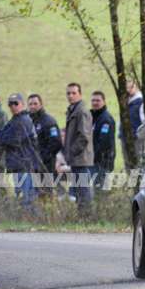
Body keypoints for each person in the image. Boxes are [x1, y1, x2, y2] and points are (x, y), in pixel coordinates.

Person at [0, 93, 41, 210]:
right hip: (17, 165)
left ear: (22, 104)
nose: (13, 106)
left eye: (16, 103)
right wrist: (5, 138)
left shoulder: (24, 120)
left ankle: (33, 219)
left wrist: (5, 138)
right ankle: (27, 218)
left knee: (27, 199)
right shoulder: (14, 120)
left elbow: (15, 140)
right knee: (21, 197)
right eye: (10, 104)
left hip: (25, 165)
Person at [64, 83, 94, 215]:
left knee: (83, 190)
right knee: (78, 189)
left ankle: (87, 216)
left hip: (81, 158)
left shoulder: (82, 111)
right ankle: (82, 215)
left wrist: (71, 152)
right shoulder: (73, 110)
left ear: (80, 94)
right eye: (68, 93)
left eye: (73, 93)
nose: (70, 96)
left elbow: (84, 137)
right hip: (76, 159)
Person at [28, 94, 62, 195]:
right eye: (30, 104)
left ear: (41, 104)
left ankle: (51, 204)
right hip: (33, 163)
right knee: (35, 192)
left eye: (35, 104)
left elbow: (56, 142)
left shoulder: (48, 121)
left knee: (46, 191)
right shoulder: (29, 121)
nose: (33, 106)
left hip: (46, 164)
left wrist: (44, 157)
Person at [90, 91, 115, 189]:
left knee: (102, 191)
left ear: (104, 102)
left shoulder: (106, 119)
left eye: (98, 100)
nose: (95, 103)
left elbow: (104, 143)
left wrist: (94, 156)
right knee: (95, 190)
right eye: (93, 100)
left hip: (103, 161)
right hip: (94, 161)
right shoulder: (93, 117)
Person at [119, 80, 145, 170]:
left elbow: (144, 122)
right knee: (127, 164)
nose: (128, 90)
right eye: (126, 87)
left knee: (137, 164)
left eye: (131, 87)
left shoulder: (141, 102)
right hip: (124, 138)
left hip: (136, 140)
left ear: (136, 87)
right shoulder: (125, 102)